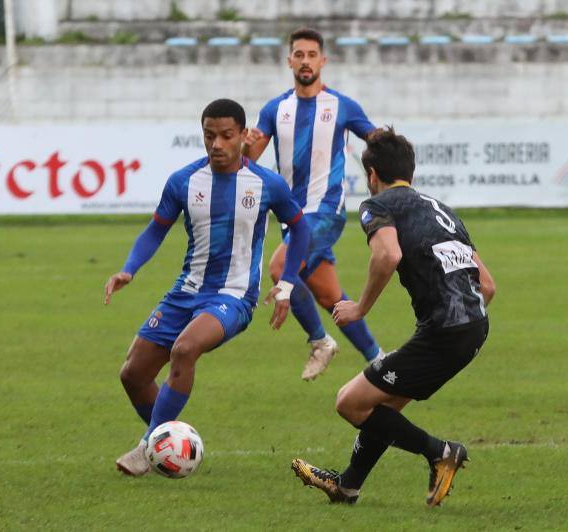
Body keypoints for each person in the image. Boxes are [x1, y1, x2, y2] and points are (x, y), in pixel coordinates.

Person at [290, 127, 496, 507]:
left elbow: (387, 255)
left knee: (349, 403)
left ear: (371, 175)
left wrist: (359, 308)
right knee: (381, 408)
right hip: (473, 328)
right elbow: (487, 285)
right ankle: (347, 486)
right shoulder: (442, 210)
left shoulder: (378, 205)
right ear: (410, 172)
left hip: (445, 332)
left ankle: (441, 451)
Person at [105, 99, 310, 476]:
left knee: (185, 349)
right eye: (209, 135)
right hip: (186, 292)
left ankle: (148, 447)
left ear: (242, 136)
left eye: (226, 136)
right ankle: (169, 444)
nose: (217, 144)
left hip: (233, 297)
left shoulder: (267, 184)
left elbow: (301, 228)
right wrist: (128, 270)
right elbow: (155, 230)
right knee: (132, 374)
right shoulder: (183, 181)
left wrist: (286, 284)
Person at [242, 27, 383, 381]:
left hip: (326, 210)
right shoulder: (276, 109)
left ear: (323, 61)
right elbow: (251, 160)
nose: (305, 61)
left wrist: (390, 168)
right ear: (290, 60)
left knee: (279, 268)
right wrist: (245, 146)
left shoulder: (342, 105)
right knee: (330, 296)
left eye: (311, 55)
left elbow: (378, 142)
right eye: (299, 55)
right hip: (292, 214)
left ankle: (320, 341)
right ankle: (380, 360)